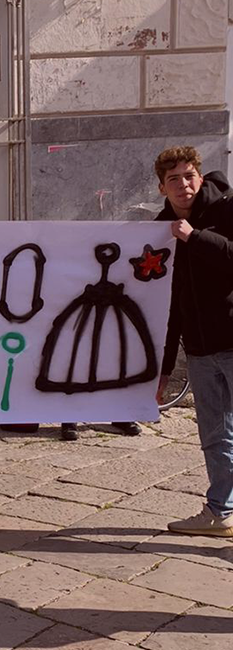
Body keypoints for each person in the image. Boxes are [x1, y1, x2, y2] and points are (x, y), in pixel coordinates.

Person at [153, 146, 233, 537]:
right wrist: (165, 367)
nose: (183, 185)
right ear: (161, 188)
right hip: (200, 352)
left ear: (200, 177)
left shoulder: (227, 209)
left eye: (189, 176)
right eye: (174, 179)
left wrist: (196, 238)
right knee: (215, 436)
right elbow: (167, 304)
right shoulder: (161, 230)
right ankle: (220, 512)